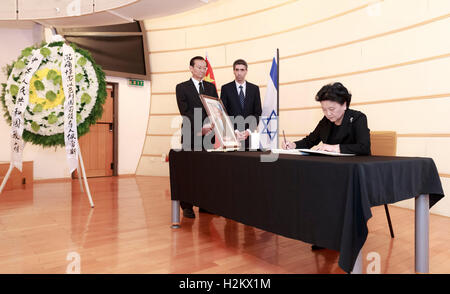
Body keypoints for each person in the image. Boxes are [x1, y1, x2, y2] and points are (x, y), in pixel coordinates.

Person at [176, 56, 218, 218]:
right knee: (189, 172)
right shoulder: (182, 87)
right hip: (191, 134)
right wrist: (201, 127)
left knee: (206, 172)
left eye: (204, 67)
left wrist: (214, 125)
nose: (202, 70)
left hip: (209, 136)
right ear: (191, 68)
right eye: (199, 67)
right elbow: (185, 111)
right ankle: (187, 206)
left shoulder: (211, 87)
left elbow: (215, 109)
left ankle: (204, 204)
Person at [282, 82, 371, 155]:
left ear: (344, 105)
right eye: (324, 109)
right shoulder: (326, 121)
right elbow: (309, 141)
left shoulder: (358, 118)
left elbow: (364, 147)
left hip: (354, 167)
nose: (328, 113)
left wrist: (333, 148)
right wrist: (293, 145)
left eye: (332, 109)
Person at [220, 59, 262, 149]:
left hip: (249, 137)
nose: (239, 73)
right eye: (237, 70)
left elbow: (257, 112)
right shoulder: (225, 88)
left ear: (246, 71)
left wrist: (248, 131)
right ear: (233, 71)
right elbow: (223, 112)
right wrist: (234, 131)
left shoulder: (254, 89)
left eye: (242, 70)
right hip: (231, 136)